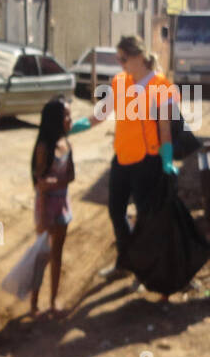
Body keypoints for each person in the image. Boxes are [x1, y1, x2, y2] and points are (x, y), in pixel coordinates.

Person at [69, 34, 178, 275]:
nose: (120, 63)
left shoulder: (161, 86)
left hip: (147, 160)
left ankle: (145, 268)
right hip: (122, 158)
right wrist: (72, 127)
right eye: (118, 59)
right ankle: (126, 262)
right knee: (116, 211)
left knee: (145, 217)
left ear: (138, 56)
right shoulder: (119, 83)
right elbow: (99, 115)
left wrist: (167, 160)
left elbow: (165, 129)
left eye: (123, 58)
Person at [30, 97, 75, 319]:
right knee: (43, 255)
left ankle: (53, 301)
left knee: (57, 255)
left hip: (62, 207)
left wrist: (54, 183)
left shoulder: (66, 144)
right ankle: (34, 304)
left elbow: (71, 176)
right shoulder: (44, 147)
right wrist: (55, 184)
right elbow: (39, 182)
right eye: (66, 115)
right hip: (46, 207)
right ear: (55, 120)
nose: (70, 119)